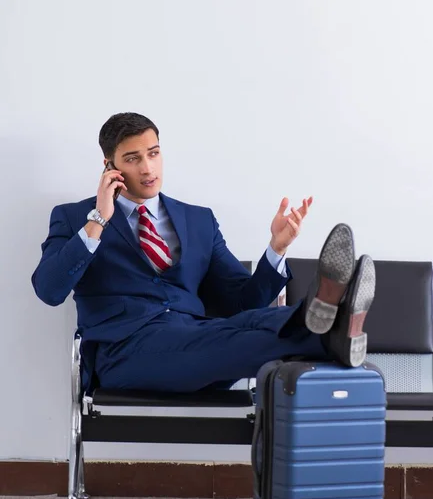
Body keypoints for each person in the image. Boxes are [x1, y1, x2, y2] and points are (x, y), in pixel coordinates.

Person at [31, 112, 375, 394]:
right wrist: (99, 220)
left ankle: (331, 320)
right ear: (110, 166)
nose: (148, 168)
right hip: (124, 353)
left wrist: (277, 248)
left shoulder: (198, 220)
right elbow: (49, 290)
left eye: (153, 153)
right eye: (133, 159)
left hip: (199, 343)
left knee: (256, 321)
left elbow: (243, 303)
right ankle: (334, 332)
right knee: (233, 337)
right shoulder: (76, 217)